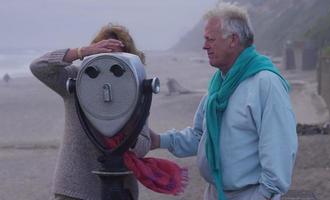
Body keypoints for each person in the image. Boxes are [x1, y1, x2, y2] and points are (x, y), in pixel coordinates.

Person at [150, 2, 298, 200]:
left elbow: (280, 151)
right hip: (216, 192)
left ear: (233, 40)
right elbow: (200, 136)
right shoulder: (220, 83)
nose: (204, 46)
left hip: (250, 195)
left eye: (210, 39)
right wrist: (159, 140)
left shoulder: (265, 84)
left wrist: (263, 195)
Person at [30, 24, 150, 200]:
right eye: (102, 54)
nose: (109, 65)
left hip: (120, 188)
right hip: (75, 187)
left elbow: (141, 148)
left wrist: (129, 116)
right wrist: (81, 52)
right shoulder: (77, 80)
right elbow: (38, 67)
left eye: (116, 62)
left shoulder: (137, 90)